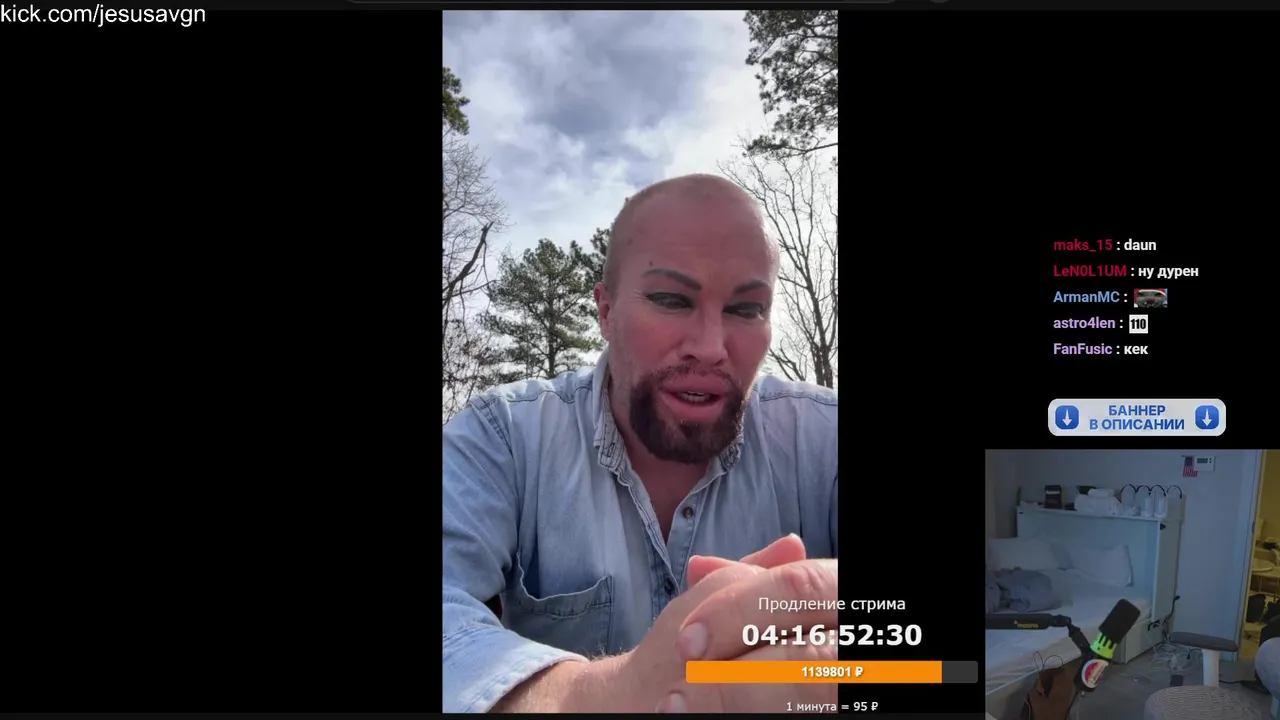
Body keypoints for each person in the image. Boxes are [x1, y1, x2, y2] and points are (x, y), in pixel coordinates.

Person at [442, 174, 839, 713]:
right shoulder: (505, 437)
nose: (710, 347)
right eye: (671, 300)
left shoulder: (822, 438)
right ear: (606, 312)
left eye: (746, 309)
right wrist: (597, 695)